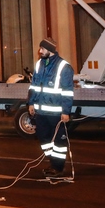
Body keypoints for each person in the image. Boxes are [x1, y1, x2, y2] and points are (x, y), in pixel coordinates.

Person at [27, 38, 75, 179]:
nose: (40, 51)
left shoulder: (64, 66)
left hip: (56, 113)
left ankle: (58, 168)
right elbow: (34, 86)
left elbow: (67, 92)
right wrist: (31, 103)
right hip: (41, 111)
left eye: (42, 48)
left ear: (50, 50)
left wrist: (66, 111)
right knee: (43, 138)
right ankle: (53, 162)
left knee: (59, 142)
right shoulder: (39, 64)